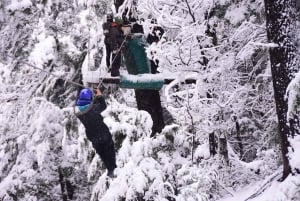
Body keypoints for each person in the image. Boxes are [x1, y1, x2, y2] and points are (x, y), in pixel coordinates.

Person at [74, 88, 117, 178]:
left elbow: (80, 101)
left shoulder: (77, 111)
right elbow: (103, 105)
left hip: (93, 136)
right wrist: (99, 95)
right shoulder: (93, 109)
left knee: (102, 153)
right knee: (110, 150)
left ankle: (110, 169)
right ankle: (113, 169)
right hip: (103, 133)